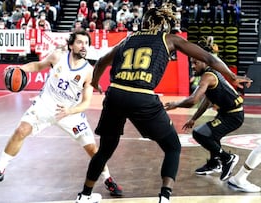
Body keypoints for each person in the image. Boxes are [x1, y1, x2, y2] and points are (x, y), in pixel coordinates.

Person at [75, 3, 252, 203]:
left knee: (105, 149)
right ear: (164, 25)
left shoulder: (128, 39)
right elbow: (209, 58)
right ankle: (164, 198)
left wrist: (96, 82)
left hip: (115, 94)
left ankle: (85, 195)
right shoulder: (169, 39)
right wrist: (231, 76)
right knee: (172, 147)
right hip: (141, 95)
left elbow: (100, 63)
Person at [0, 30, 123, 197]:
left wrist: (70, 111)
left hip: (70, 113)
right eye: (80, 42)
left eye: (86, 43)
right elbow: (38, 66)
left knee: (92, 149)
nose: (84, 46)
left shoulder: (89, 71)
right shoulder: (57, 56)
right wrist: (20, 69)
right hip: (45, 105)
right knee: (20, 131)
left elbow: (85, 103)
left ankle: (107, 179)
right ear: (71, 45)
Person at [164, 37, 252, 182]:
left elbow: (193, 100)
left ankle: (227, 158)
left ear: (204, 61)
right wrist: (194, 118)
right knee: (210, 134)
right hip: (228, 113)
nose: (192, 66)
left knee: (201, 134)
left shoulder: (208, 76)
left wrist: (176, 104)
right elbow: (207, 99)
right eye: (191, 63)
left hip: (233, 116)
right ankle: (214, 163)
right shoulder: (211, 74)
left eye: (195, 63)